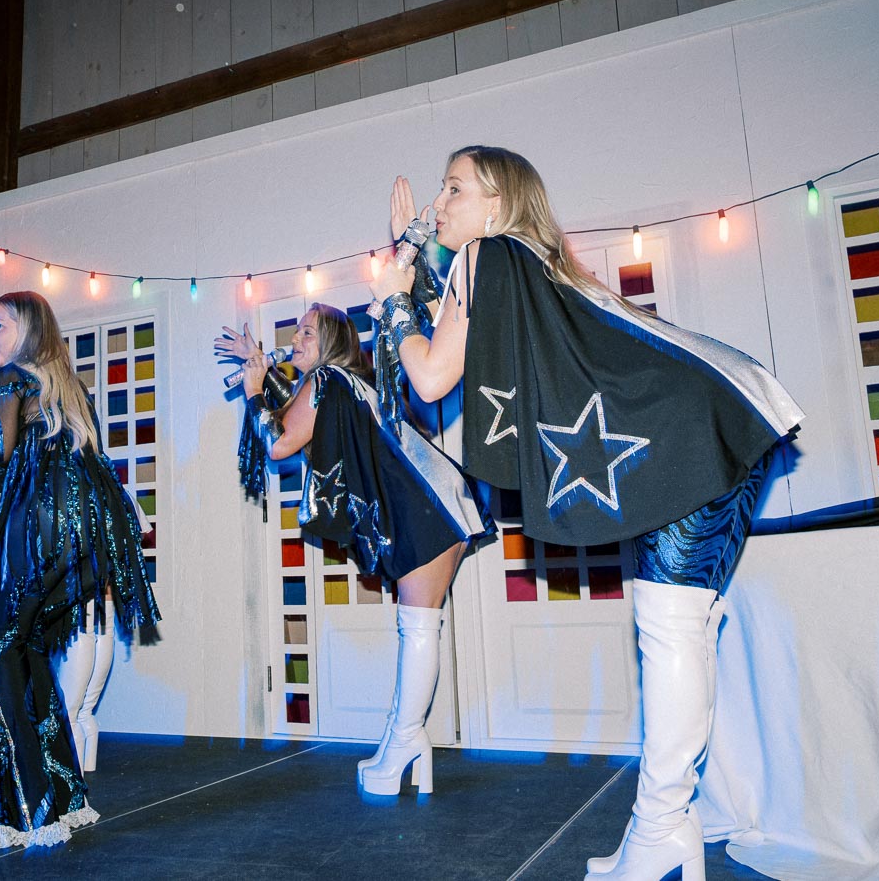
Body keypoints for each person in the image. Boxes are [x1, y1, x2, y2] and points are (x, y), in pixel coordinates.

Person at [369, 146, 804, 880]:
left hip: (678, 435)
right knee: (688, 627)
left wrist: (394, 294)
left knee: (671, 630)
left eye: (453, 188)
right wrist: (416, 252)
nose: (437, 203)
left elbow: (433, 372)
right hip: (710, 415)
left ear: (499, 206)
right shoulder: (535, 267)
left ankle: (661, 831)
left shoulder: (487, 257)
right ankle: (689, 823)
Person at [216, 304, 491, 797]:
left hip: (425, 507)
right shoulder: (344, 383)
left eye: (306, 331)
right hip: (436, 499)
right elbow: (302, 415)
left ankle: (405, 742)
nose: (295, 337)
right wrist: (264, 367)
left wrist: (255, 389)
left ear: (331, 343)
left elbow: (279, 440)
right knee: (418, 627)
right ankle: (404, 743)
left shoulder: (329, 383)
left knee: (418, 627)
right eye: (295, 329)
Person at [0, 291, 159, 850]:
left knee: (3, 652)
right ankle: (59, 798)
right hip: (77, 537)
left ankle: (35, 808)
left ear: (26, 329)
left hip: (36, 533)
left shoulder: (11, 381)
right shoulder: (64, 387)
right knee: (26, 655)